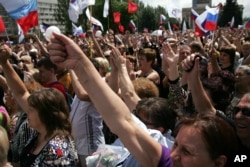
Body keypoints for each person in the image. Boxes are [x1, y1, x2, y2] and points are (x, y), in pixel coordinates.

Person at [48, 33, 239, 167]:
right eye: (176, 145)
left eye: (187, 152)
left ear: (219, 162)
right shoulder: (166, 163)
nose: (173, 154)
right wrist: (79, 63)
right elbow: (123, 121)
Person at [0, 44, 78, 166]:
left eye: (31, 110)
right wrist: (4, 63)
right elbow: (21, 93)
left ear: (45, 114)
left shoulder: (56, 150)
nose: (27, 112)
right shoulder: (40, 134)